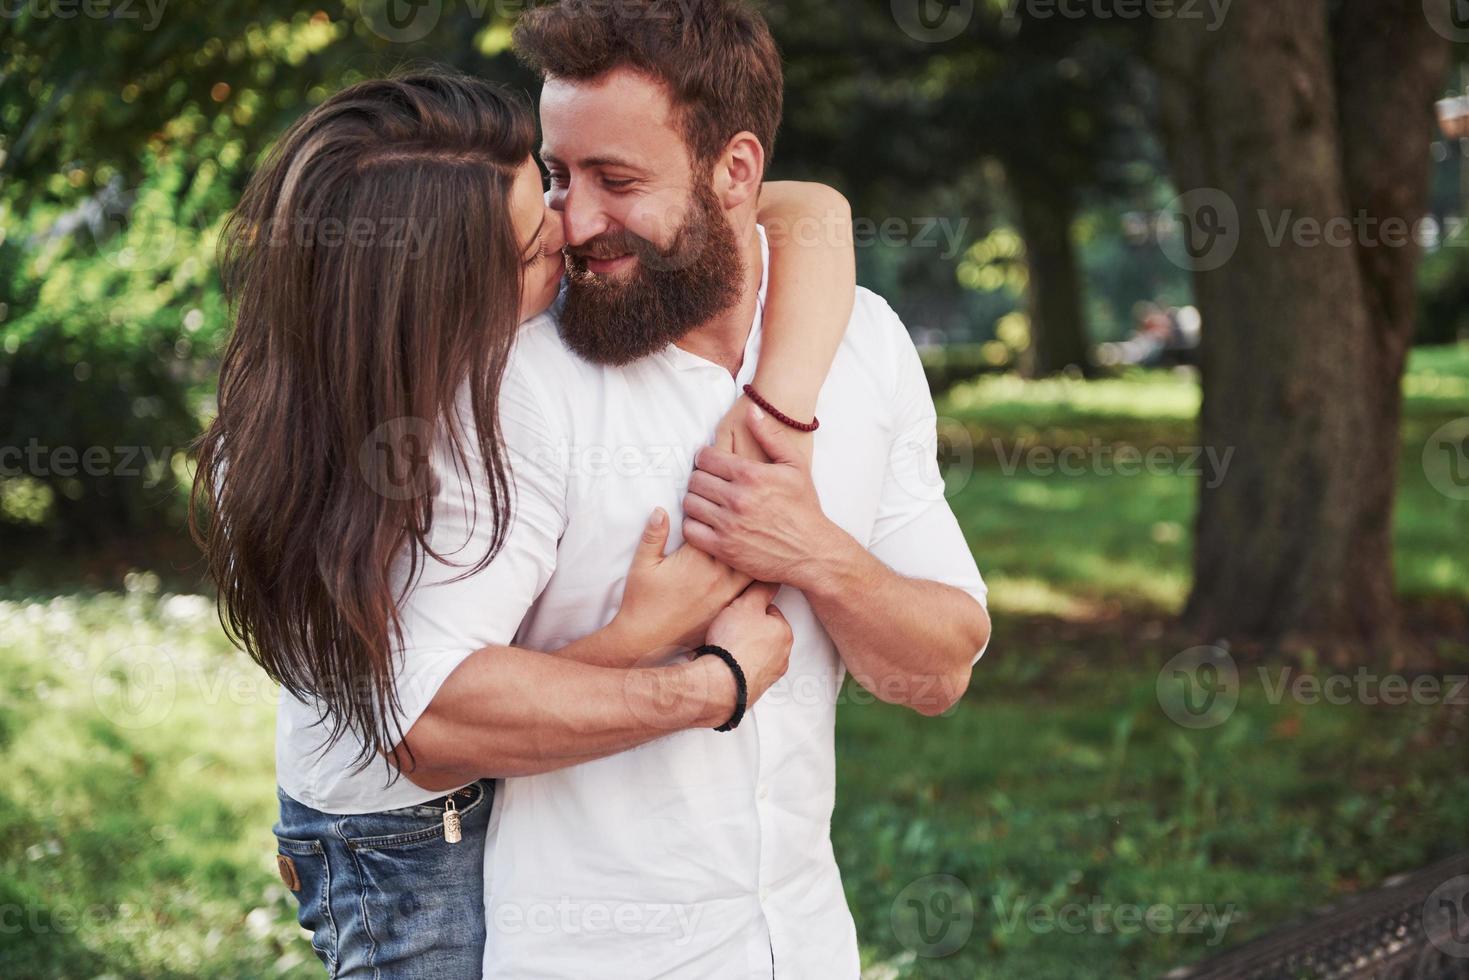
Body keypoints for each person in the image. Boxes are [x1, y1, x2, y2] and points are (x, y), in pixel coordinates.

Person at [191, 69, 858, 976]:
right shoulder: (355, 459)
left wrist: (779, 403)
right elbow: (427, 733)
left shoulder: (379, 372)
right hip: (404, 849)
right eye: (533, 245)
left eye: (552, 189)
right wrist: (684, 664)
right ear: (431, 297)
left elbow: (807, 208)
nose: (574, 233)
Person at [395, 2, 994, 975]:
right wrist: (700, 686)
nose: (574, 222)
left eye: (615, 180)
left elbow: (935, 670)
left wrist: (817, 555)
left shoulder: (861, 340)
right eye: (558, 175)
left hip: (804, 942)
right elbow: (427, 722)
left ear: (737, 172)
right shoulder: (517, 385)